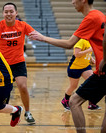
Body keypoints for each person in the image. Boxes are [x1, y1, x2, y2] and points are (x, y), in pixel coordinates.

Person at [29, 0, 106, 132]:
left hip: (103, 72)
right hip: (98, 69)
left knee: (74, 102)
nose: (72, 2)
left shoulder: (91, 18)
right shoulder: (100, 15)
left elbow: (69, 43)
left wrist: (43, 38)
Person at [0, 2, 36, 125]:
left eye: (11, 11)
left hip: (18, 62)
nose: (9, 14)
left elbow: (34, 33)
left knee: (22, 87)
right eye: (6, 12)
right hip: (1, 64)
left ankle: (27, 112)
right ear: (3, 13)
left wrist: (38, 37)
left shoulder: (22, 25)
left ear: (16, 13)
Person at [61, 39, 101, 111]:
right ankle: (65, 100)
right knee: (73, 86)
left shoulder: (90, 41)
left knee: (93, 83)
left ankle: (91, 103)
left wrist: (91, 58)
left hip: (85, 66)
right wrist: (89, 50)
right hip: (75, 67)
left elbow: (87, 51)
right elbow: (77, 54)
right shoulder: (81, 41)